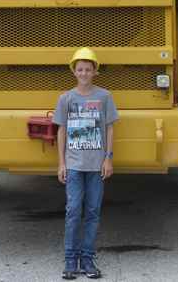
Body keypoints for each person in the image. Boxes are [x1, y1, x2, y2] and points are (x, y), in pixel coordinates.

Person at [53, 47, 118, 280]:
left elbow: (109, 128)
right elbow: (61, 130)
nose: (84, 73)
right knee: (72, 211)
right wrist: (61, 163)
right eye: (80, 69)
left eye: (88, 69)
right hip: (73, 165)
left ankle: (88, 259)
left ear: (94, 72)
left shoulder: (104, 97)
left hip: (96, 166)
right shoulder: (66, 99)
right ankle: (71, 261)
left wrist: (108, 158)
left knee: (92, 212)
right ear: (74, 71)